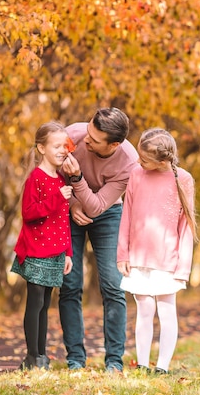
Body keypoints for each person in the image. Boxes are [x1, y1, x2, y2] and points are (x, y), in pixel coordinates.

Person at [58, 107, 139, 372]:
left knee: (113, 287)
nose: (86, 140)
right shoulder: (74, 134)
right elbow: (52, 174)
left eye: (94, 139)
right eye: (88, 132)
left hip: (108, 213)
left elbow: (97, 206)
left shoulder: (129, 163)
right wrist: (71, 204)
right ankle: (75, 359)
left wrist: (78, 179)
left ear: (114, 144)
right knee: (70, 284)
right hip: (69, 209)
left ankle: (114, 360)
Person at [116, 128, 198, 374]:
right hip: (138, 257)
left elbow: (186, 226)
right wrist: (123, 254)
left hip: (168, 261)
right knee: (144, 309)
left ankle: (162, 366)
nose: (139, 162)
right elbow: (127, 214)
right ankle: (142, 363)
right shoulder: (136, 174)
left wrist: (183, 267)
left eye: (144, 159)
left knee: (166, 309)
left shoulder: (183, 179)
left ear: (163, 161)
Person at [11, 121, 74, 370]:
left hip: (56, 252)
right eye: (56, 146)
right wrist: (56, 198)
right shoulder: (35, 178)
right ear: (41, 148)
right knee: (35, 303)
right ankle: (31, 357)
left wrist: (68, 252)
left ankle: (41, 355)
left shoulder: (60, 178)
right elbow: (29, 213)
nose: (62, 150)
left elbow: (63, 220)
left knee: (46, 305)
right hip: (36, 250)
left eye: (65, 146)